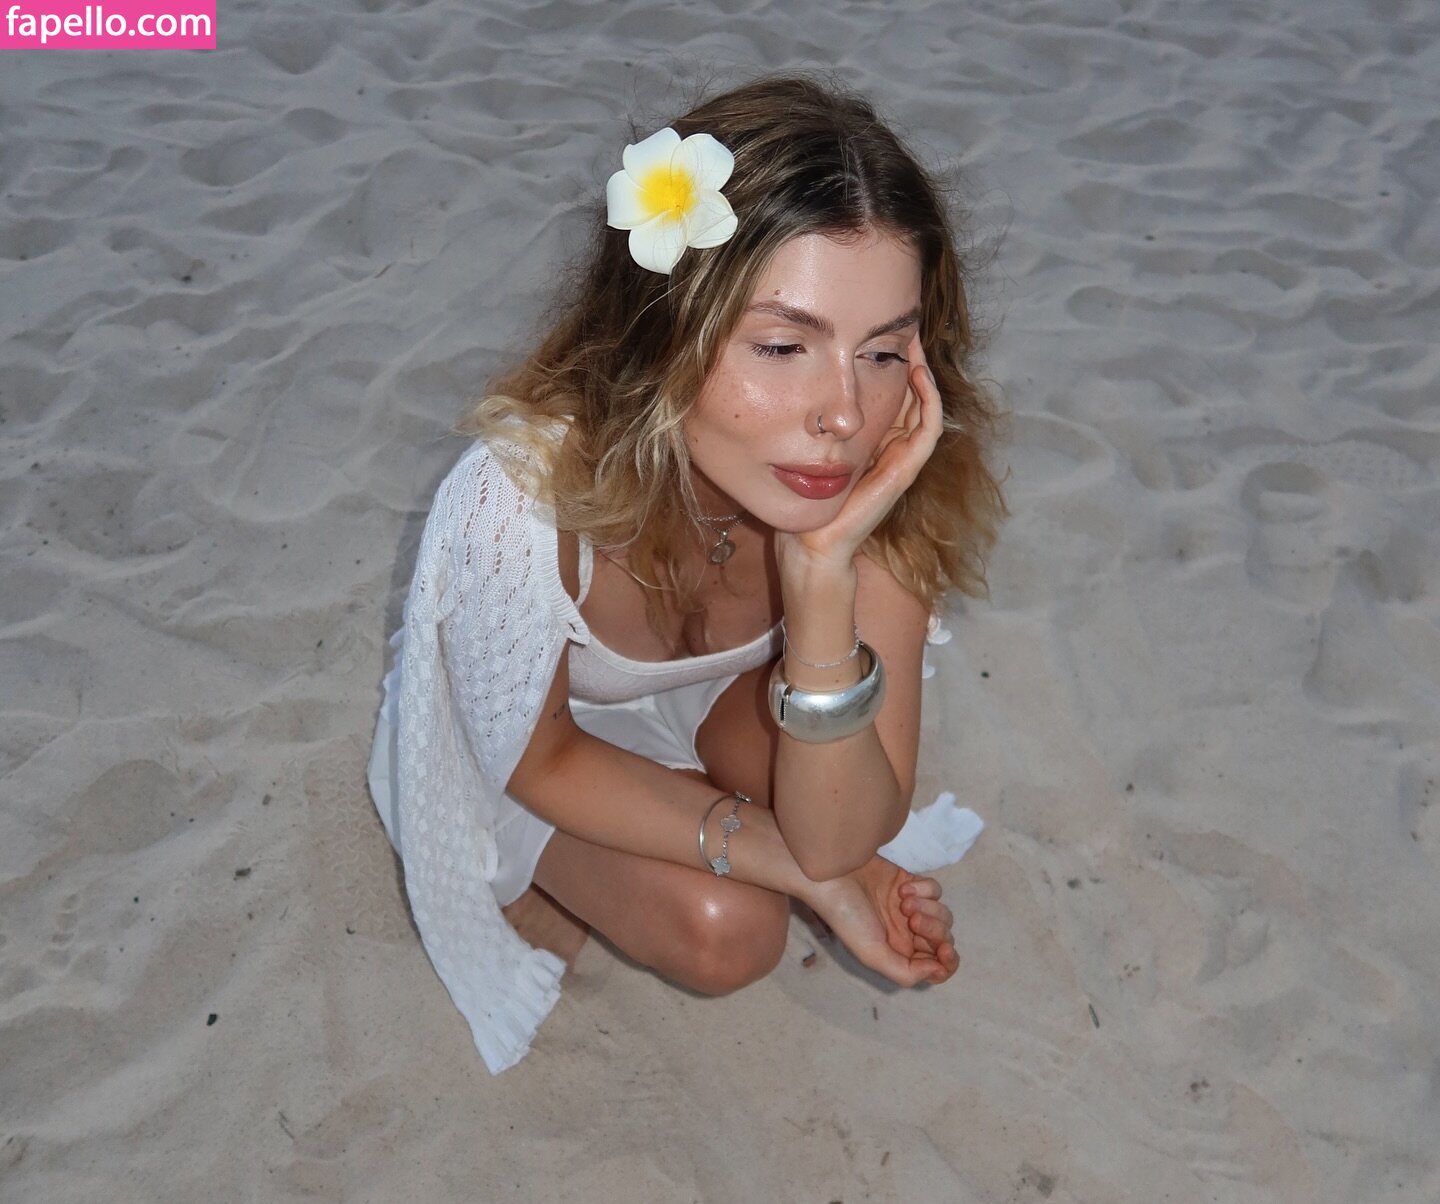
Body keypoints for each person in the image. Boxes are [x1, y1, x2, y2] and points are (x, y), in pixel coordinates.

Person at [367, 75, 1007, 1073]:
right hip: (526, 736)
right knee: (728, 931)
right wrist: (800, 870)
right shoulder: (518, 499)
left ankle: (678, 803)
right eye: (784, 345)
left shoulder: (875, 479)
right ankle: (551, 871)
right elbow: (540, 759)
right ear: (668, 329)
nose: (844, 413)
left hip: (715, 706)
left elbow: (847, 833)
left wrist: (823, 576)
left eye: (884, 354)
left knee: (825, 803)